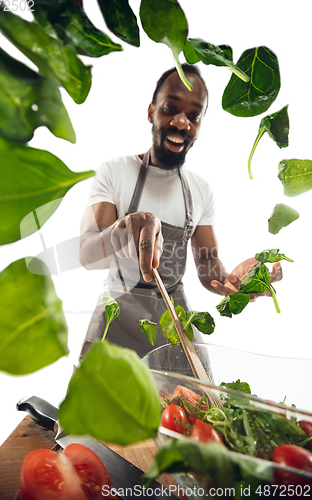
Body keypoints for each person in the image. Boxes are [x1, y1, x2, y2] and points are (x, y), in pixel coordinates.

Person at [79, 63, 282, 359]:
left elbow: (207, 263)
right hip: (115, 321)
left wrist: (233, 283)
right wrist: (119, 232)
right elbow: (86, 253)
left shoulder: (200, 191)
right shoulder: (116, 172)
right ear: (151, 112)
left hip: (173, 326)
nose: (181, 122)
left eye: (193, 115)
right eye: (170, 108)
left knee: (192, 404)